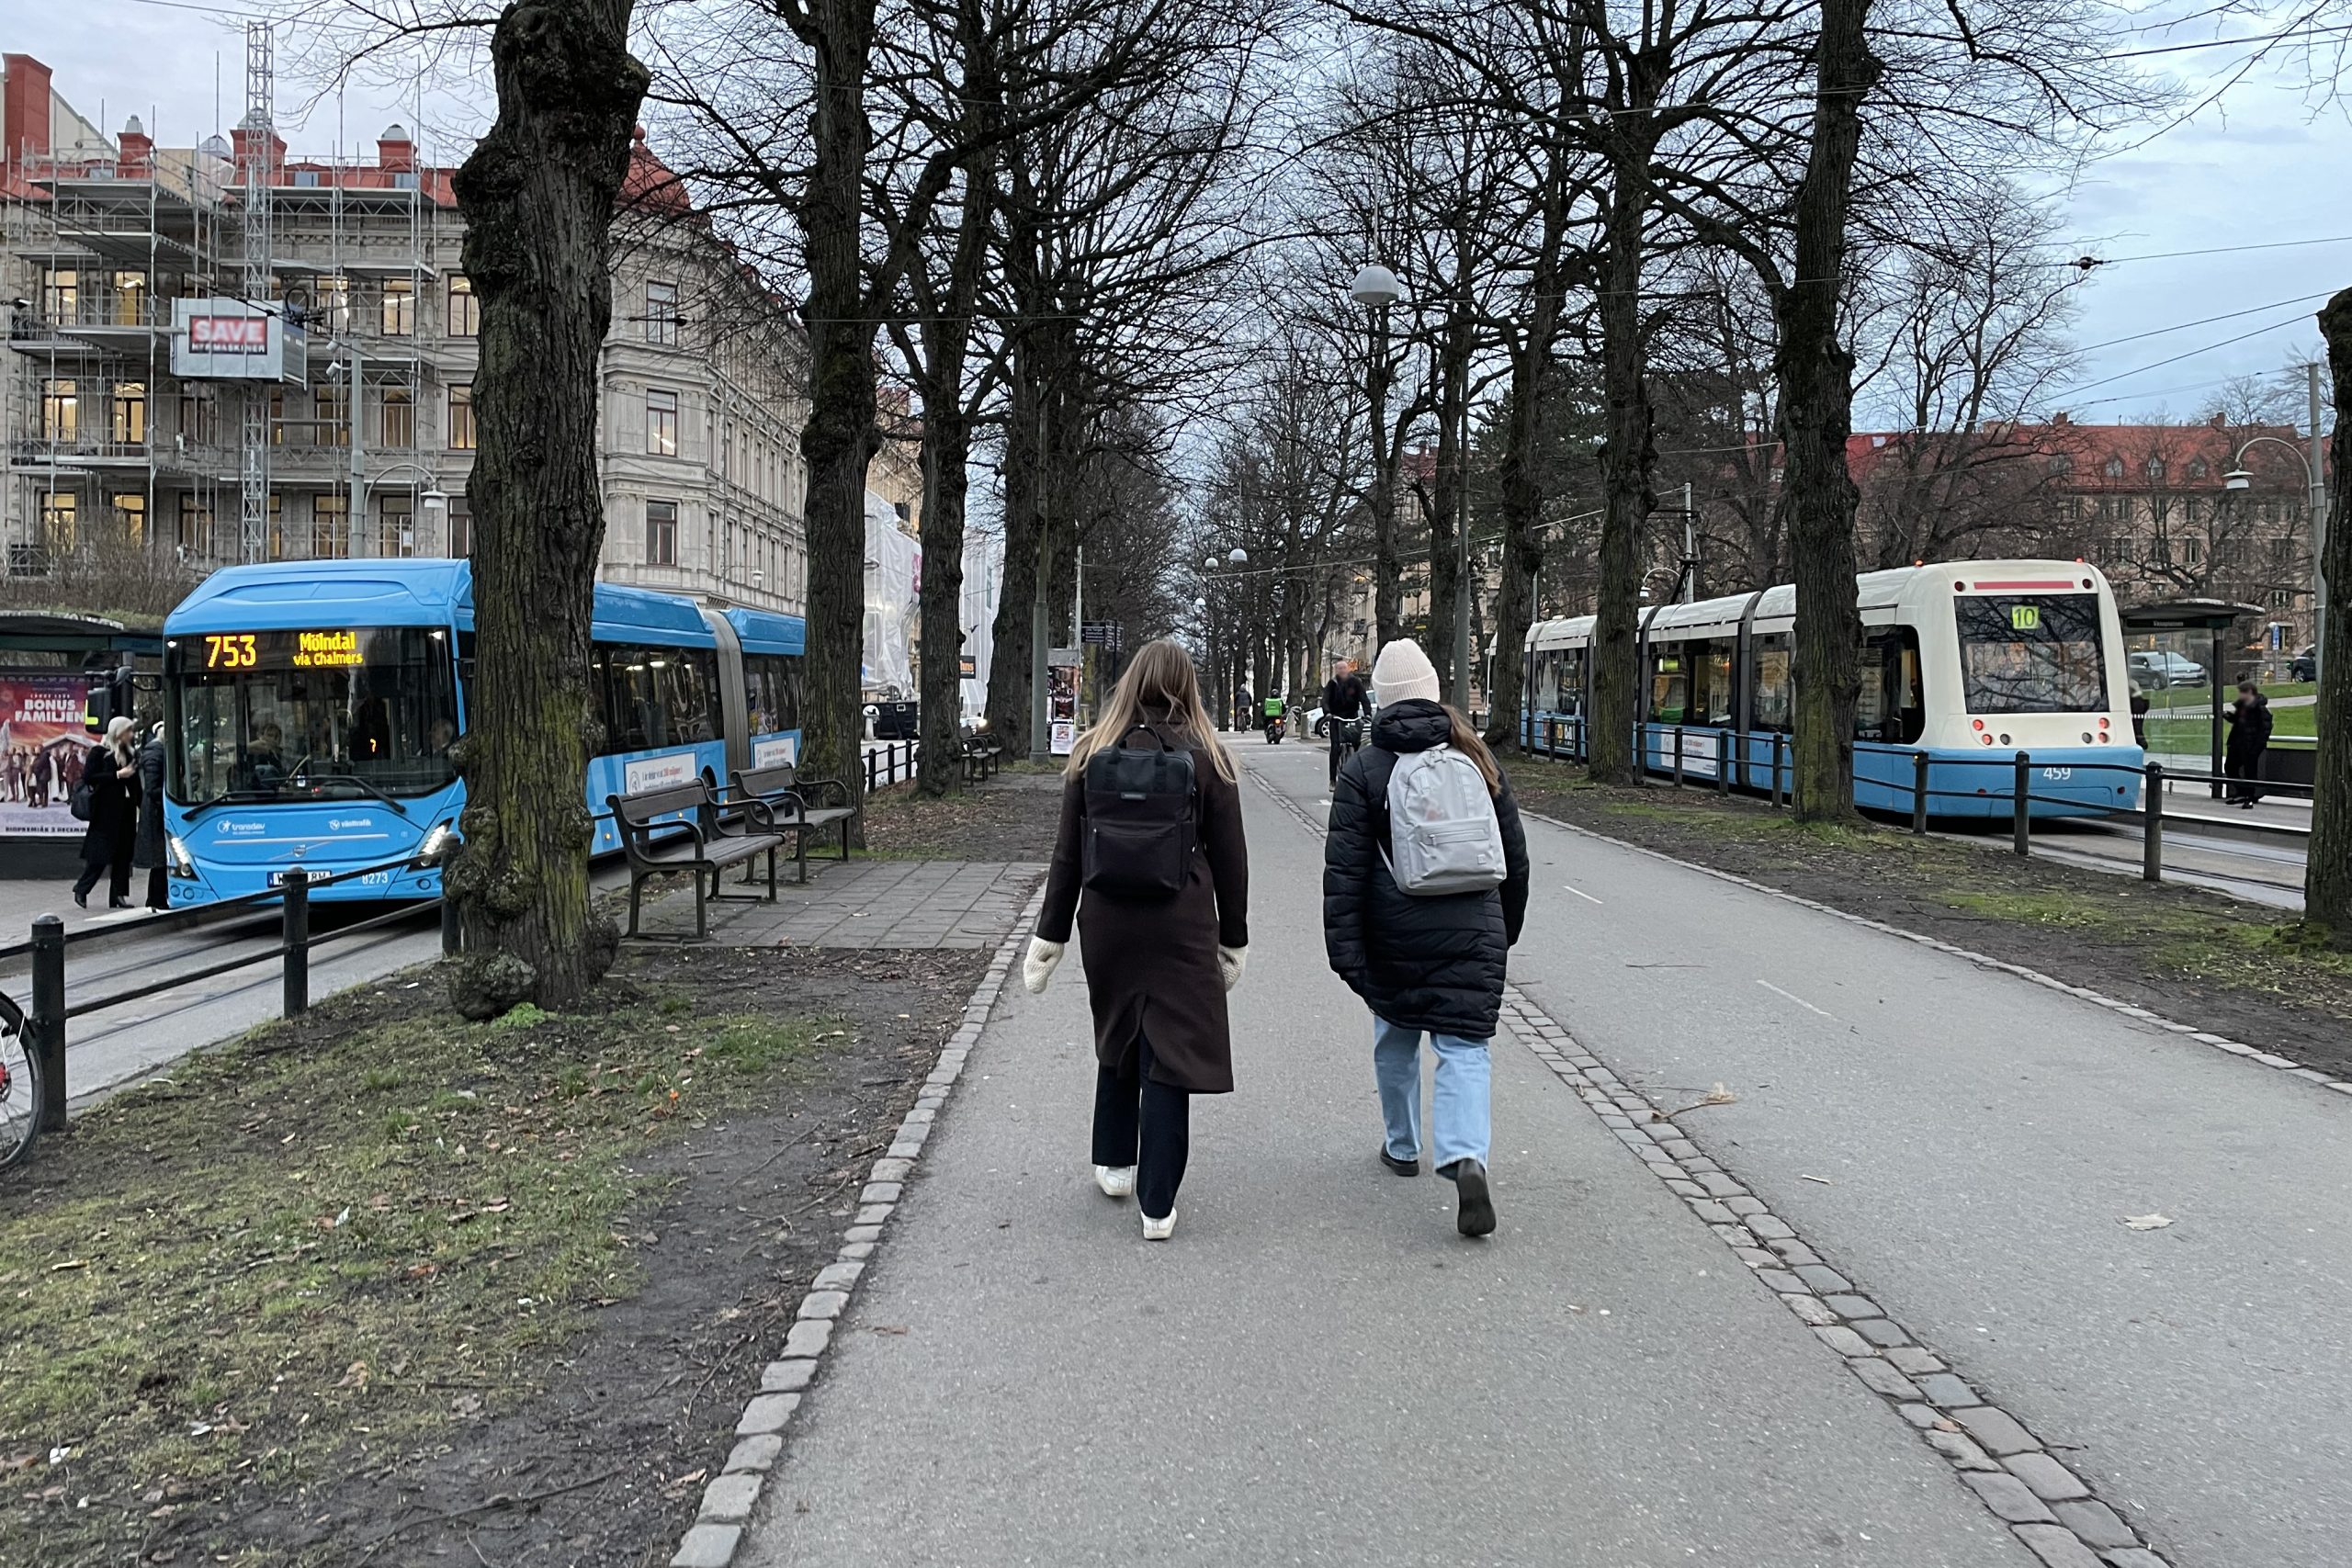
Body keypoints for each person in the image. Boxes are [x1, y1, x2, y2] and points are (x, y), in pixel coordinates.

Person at [1024, 639, 1250, 1242]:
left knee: (1120, 1030)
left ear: (1129, 685)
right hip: (1181, 924)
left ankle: (1114, 1163)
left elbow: (1068, 854)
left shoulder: (1091, 752)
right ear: (1187, 687)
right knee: (1169, 1052)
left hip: (1107, 923)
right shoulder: (1210, 758)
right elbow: (1232, 861)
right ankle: (1157, 1204)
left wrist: (1049, 936)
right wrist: (1235, 939)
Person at [1324, 638, 1531, 1238]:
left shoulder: (1366, 767)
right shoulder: (1477, 754)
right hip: (1475, 925)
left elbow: (1345, 869)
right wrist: (1504, 929)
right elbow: (1513, 853)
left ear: (1380, 699)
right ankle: (1466, 1155)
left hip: (1394, 928)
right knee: (1465, 1048)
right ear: (1435, 692)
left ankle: (1402, 1144)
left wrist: (1347, 951)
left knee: (1395, 1036)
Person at [73, 716, 141, 910]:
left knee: (123, 855)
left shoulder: (130, 754)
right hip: (105, 813)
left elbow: (135, 784)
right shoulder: (99, 752)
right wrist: (117, 775)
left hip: (126, 812)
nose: (131, 735)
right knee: (100, 856)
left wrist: (142, 805)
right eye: (128, 731)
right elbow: (89, 777)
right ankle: (82, 889)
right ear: (117, 732)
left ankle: (118, 896)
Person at [134, 720, 169, 910]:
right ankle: (156, 898)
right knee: (160, 858)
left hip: (158, 809)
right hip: (156, 812)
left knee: (162, 857)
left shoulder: (156, 752)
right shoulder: (155, 752)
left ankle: (157, 897)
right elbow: (153, 786)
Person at [2223, 680, 2272, 807]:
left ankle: (2249, 797)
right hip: (2238, 744)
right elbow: (2239, 722)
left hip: (2250, 746)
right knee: (2230, 767)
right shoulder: (2243, 707)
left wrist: (2256, 748)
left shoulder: (2260, 709)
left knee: (2250, 772)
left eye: (2241, 692)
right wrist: (2228, 716)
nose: (2239, 695)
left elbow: (2264, 730)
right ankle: (2242, 792)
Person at [1322, 659, 1371, 784]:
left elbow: (1364, 699)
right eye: (1339, 669)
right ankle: (1333, 779)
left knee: (1356, 744)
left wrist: (1368, 714)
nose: (1342, 671)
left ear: (1348, 669)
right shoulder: (1332, 684)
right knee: (1335, 747)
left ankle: (1356, 775)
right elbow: (1325, 699)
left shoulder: (1355, 682)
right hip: (1336, 718)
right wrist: (1327, 712)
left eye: (1344, 668)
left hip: (1352, 716)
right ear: (1336, 671)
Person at [2129, 685, 2150, 750]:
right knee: (2138, 725)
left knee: (2137, 725)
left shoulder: (2135, 703)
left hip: (2135, 701)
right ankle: (2141, 742)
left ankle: (2141, 742)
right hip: (2137, 701)